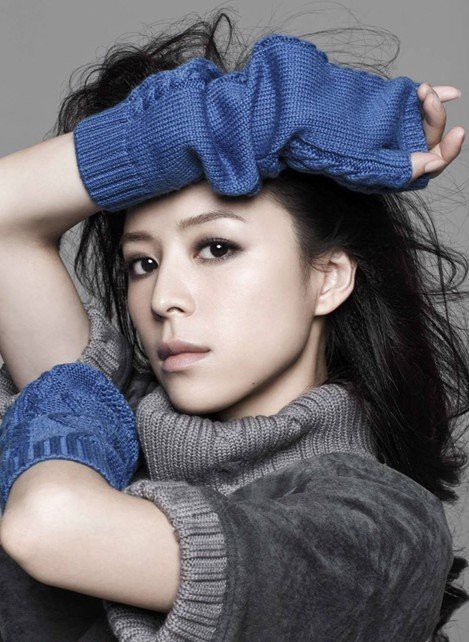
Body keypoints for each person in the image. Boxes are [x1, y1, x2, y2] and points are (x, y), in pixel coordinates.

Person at [0, 9, 468, 642]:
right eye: (143, 263)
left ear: (328, 278)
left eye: (216, 248)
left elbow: (49, 526)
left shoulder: (381, 531)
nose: (165, 297)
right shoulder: (106, 422)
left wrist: (61, 397)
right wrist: (236, 117)